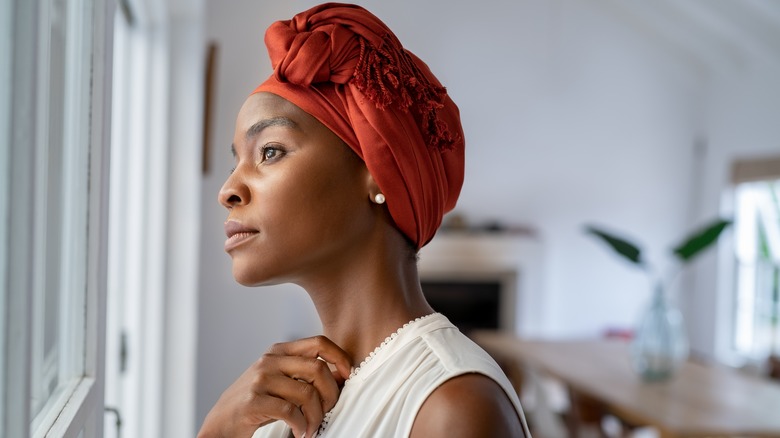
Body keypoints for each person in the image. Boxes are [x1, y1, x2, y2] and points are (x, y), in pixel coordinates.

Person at [198, 3, 531, 437]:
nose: (228, 190)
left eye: (270, 151)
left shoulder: (450, 406)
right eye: (235, 163)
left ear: (378, 171)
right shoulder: (278, 400)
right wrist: (220, 428)